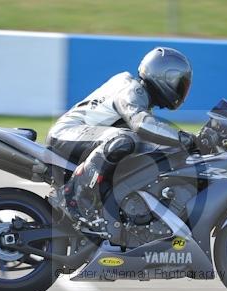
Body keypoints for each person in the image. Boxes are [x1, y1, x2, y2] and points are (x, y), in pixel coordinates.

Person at [47, 47, 195, 228]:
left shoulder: (140, 98)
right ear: (164, 77)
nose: (182, 90)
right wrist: (183, 138)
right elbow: (141, 124)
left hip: (85, 137)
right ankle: (73, 198)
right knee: (123, 139)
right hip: (66, 133)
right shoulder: (131, 89)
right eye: (180, 83)